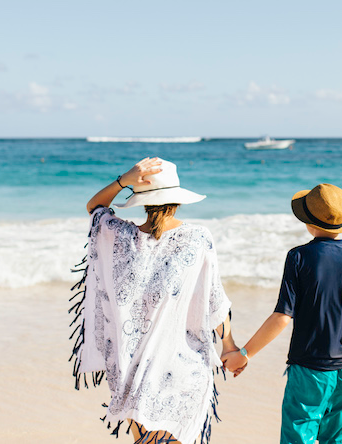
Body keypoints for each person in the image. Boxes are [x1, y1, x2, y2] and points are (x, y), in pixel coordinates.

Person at [69, 157, 239, 444]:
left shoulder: (120, 236)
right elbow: (212, 301)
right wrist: (230, 347)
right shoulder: (198, 238)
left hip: (131, 372)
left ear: (142, 202)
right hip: (181, 369)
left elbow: (94, 208)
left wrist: (125, 179)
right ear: (177, 200)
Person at [221, 183, 342, 444]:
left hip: (310, 372)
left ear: (308, 222)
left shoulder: (299, 257)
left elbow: (283, 316)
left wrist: (244, 354)